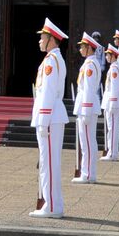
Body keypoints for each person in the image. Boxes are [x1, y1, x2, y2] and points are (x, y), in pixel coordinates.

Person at [29, 18, 68, 218]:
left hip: (50, 117)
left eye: (42, 37)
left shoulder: (52, 61)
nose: (40, 41)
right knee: (48, 162)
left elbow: (48, 93)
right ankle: (53, 204)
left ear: (51, 39)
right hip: (51, 116)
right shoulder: (52, 59)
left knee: (49, 163)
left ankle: (51, 206)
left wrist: (43, 120)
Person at [72, 32, 103, 183]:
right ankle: (87, 172)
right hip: (87, 106)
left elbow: (90, 89)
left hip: (88, 107)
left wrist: (85, 110)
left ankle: (88, 174)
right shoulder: (90, 63)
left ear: (89, 48)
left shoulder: (91, 64)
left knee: (88, 142)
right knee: (86, 141)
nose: (80, 50)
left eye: (82, 47)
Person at [100, 44, 119, 160]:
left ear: (113, 56)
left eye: (107, 55)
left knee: (113, 129)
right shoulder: (114, 67)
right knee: (111, 129)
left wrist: (112, 103)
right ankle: (112, 151)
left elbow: (114, 87)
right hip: (111, 102)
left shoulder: (114, 68)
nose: (106, 57)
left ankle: (112, 153)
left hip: (113, 102)